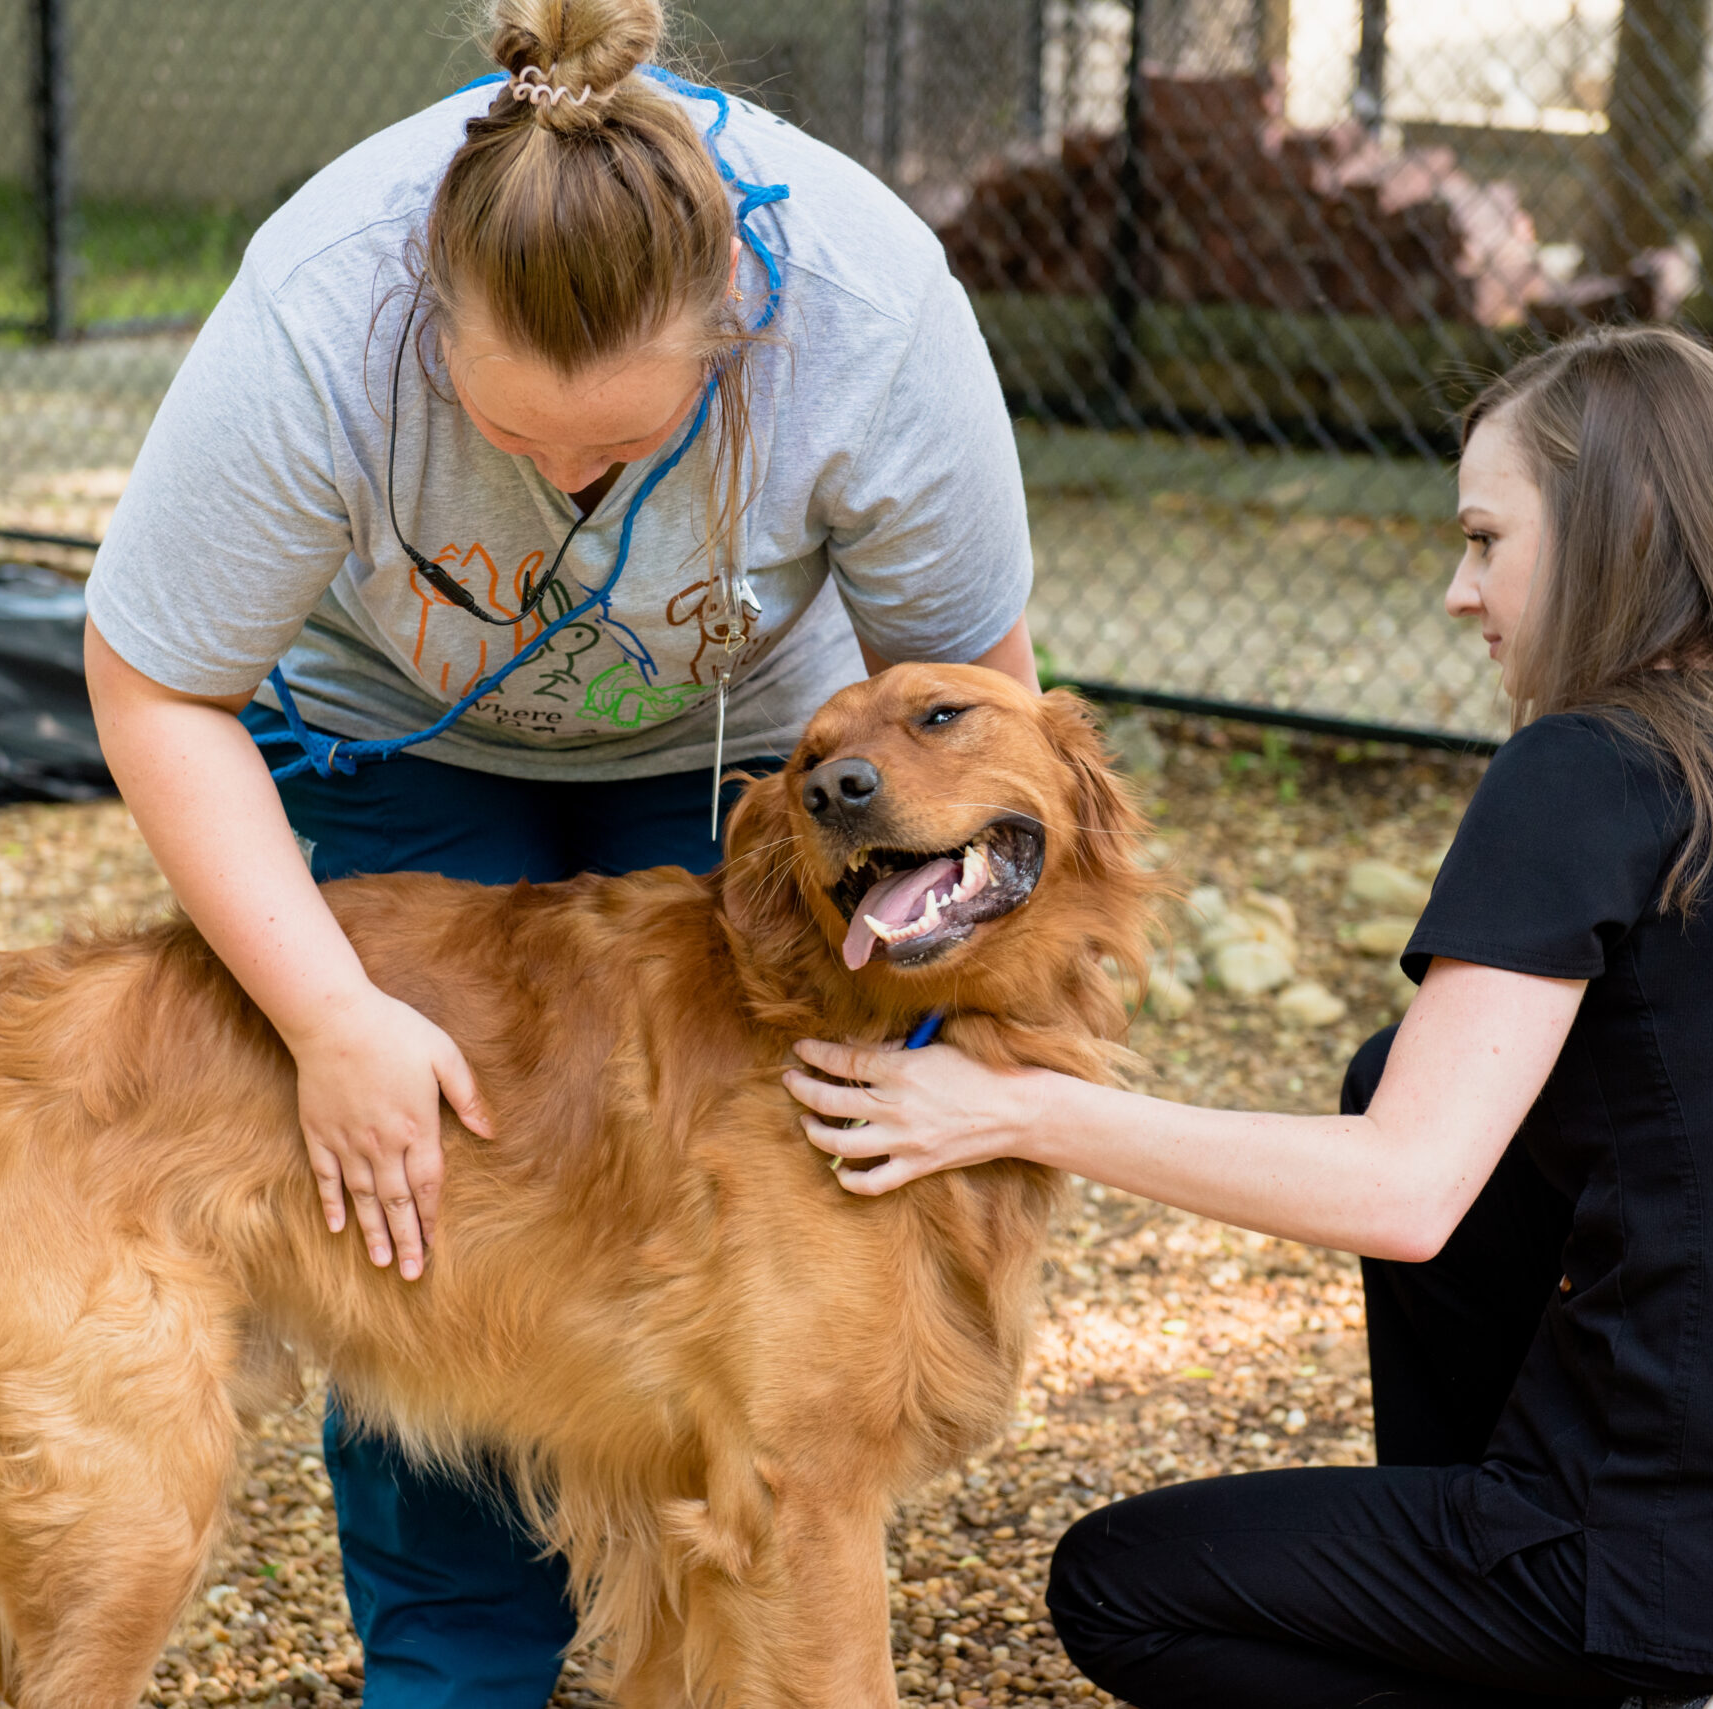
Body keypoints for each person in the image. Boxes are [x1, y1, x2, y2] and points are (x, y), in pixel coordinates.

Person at [782, 325, 1713, 1709]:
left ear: (1618, 529)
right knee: (1388, 1068)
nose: (1459, 590)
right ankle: (1567, 1604)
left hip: (1683, 1569)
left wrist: (1016, 1107)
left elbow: (1405, 1193)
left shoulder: (1584, 766)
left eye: (1485, 539)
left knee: (1118, 1588)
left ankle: (1616, 1669)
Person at [78, 0, 1039, 1698]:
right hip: (400, 729)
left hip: (759, 767)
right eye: (513, 443)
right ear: (422, 314)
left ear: (737, 316)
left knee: (745, 1270)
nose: (571, 486)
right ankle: (456, 1675)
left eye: (624, 446)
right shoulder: (319, 312)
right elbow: (156, 682)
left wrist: (966, 1028)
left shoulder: (872, 310)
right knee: (425, 1213)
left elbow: (974, 715)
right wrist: (328, 1017)